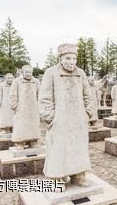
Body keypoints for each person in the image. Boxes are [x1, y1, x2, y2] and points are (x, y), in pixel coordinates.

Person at [39, 43, 94, 188]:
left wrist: (87, 113)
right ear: (61, 58)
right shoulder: (50, 73)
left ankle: (78, 175)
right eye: (68, 58)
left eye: (74, 58)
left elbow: (88, 95)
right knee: (59, 149)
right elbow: (45, 98)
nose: (71, 62)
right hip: (60, 121)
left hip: (78, 120)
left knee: (79, 148)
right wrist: (50, 118)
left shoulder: (81, 73)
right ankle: (57, 177)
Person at [9, 65, 41, 149]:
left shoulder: (36, 81)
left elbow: (39, 94)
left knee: (33, 125)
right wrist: (15, 106)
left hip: (33, 108)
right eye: (26, 72)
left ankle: (33, 141)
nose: (28, 74)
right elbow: (12, 94)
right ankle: (19, 142)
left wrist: (39, 106)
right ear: (22, 72)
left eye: (30, 72)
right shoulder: (16, 81)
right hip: (21, 108)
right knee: (20, 125)